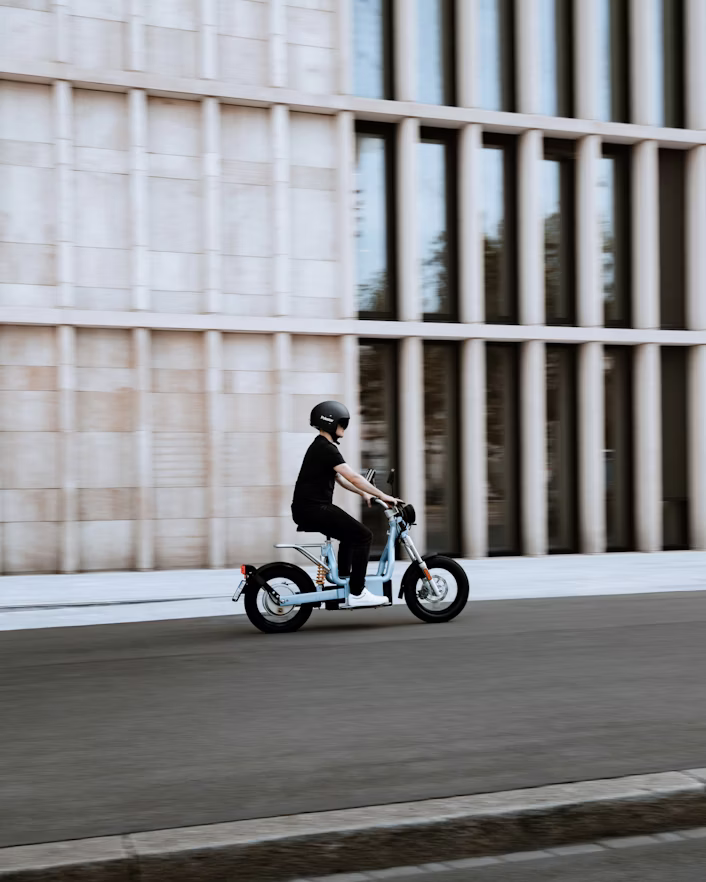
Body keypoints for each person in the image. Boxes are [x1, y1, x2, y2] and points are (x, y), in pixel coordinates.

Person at [291, 401, 399, 608]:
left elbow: (341, 479)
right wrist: (383, 495)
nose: (344, 428)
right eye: (342, 423)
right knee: (364, 535)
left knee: (351, 533)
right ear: (331, 422)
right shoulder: (326, 448)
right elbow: (352, 476)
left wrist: (364, 494)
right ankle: (358, 592)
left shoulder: (320, 446)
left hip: (309, 509)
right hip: (314, 509)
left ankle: (344, 577)